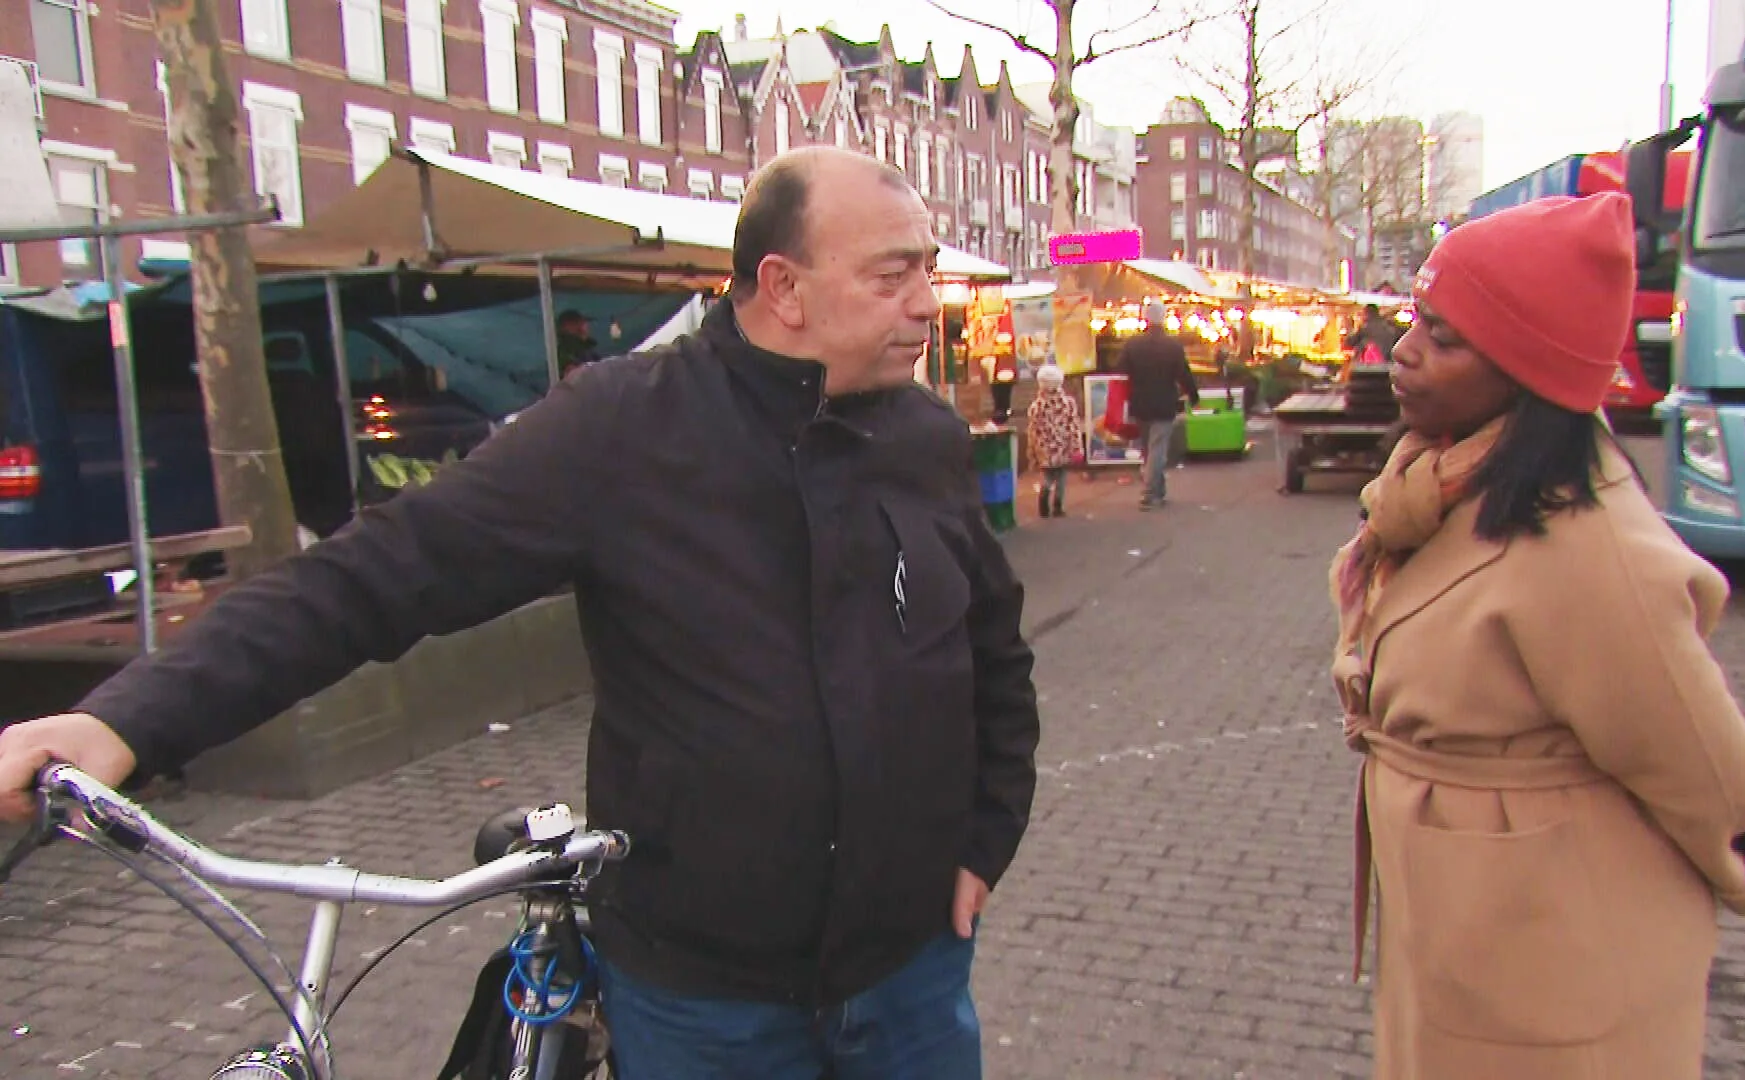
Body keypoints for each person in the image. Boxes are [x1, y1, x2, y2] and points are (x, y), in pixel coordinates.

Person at [0, 147, 1041, 1080]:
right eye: (893, 276)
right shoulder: (621, 430)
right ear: (784, 287)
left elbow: (995, 655)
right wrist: (125, 721)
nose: (927, 304)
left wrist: (985, 841)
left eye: (926, 269)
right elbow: (374, 575)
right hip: (705, 1005)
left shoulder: (924, 439)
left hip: (910, 976)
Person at [1327, 193, 1745, 1079]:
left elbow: (1704, 762)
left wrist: (1737, 861)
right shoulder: (1442, 486)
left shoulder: (1588, 546)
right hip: (1464, 932)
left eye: (1444, 338)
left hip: (1550, 958)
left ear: (1525, 370)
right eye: (1417, 321)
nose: (1403, 352)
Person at [1116, 298, 1199, 510]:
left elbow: (1121, 371)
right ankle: (1150, 494)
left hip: (1140, 403)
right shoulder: (1173, 346)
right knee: (1158, 450)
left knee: (1149, 449)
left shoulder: (1132, 345)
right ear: (1163, 319)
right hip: (1164, 403)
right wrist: (1193, 396)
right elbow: (1184, 375)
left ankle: (1159, 491)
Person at [1023, 364, 1083, 519]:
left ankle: (1043, 502)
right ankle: (1058, 506)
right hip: (1063, 446)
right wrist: (1076, 447)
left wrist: (1031, 452)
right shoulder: (1068, 403)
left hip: (1044, 448)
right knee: (1061, 476)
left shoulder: (1036, 407)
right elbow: (1073, 426)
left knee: (1047, 476)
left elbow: (1033, 431)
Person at [555, 308, 601, 376]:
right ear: (564, 328)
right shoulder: (564, 353)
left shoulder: (588, 350)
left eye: (583, 323)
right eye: (575, 323)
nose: (583, 327)